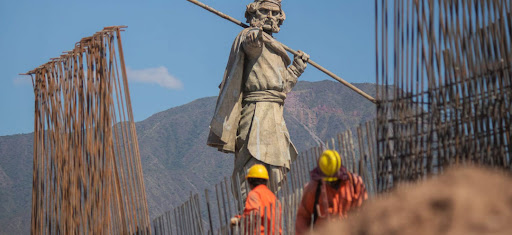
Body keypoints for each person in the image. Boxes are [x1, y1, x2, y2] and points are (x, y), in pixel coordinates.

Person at [207, 0, 310, 199]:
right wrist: (253, 39)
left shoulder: (277, 49)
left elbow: (280, 86)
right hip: (255, 114)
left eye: (274, 12)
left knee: (274, 170)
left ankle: (266, 211)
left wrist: (296, 69)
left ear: (280, 17)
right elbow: (251, 45)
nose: (270, 16)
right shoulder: (251, 37)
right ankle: (250, 213)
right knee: (252, 165)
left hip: (275, 116)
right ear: (254, 14)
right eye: (264, 11)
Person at [295, 150, 368, 234]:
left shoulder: (354, 184)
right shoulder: (313, 189)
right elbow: (303, 218)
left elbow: (364, 213)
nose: (330, 183)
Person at [230, 164, 282, 235]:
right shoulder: (273, 197)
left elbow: (253, 214)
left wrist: (238, 220)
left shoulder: (254, 195)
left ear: (249, 182)